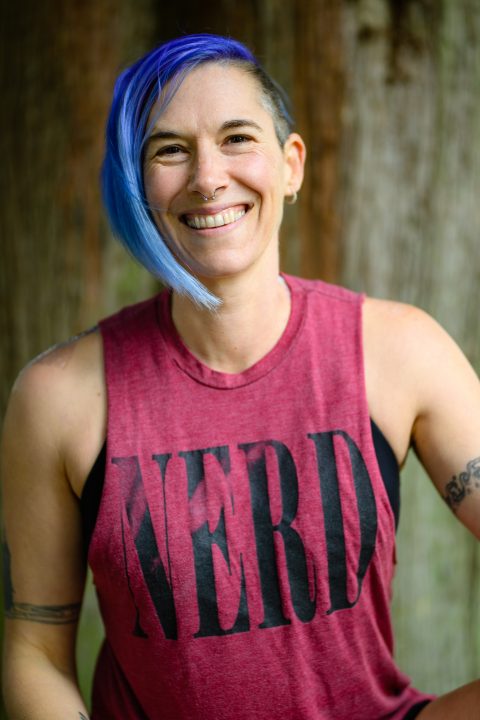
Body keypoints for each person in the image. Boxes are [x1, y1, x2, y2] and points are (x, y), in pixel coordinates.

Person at [2, 33, 479, 720]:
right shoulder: (58, 400)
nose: (207, 176)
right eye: (170, 149)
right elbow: (34, 652)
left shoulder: (397, 352)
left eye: (236, 138)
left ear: (291, 166)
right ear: (139, 186)